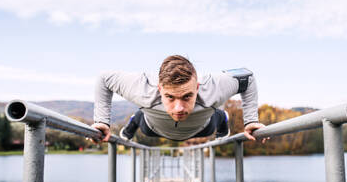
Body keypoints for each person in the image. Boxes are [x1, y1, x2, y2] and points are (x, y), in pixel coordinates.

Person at [92, 55, 266, 142]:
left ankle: (221, 117)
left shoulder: (214, 86)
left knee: (216, 117)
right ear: (160, 89)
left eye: (187, 96)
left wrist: (250, 120)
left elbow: (247, 78)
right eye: (170, 97)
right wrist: (102, 121)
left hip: (201, 128)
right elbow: (104, 79)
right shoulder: (143, 88)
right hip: (154, 128)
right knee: (142, 121)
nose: (179, 109)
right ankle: (135, 120)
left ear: (197, 87)